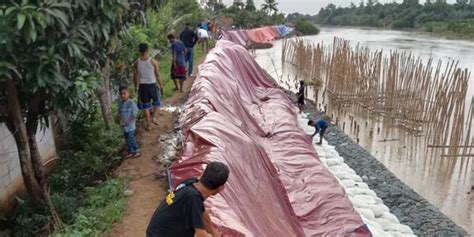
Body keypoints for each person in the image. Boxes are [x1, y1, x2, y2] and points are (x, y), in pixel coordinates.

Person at [146, 161, 230, 237]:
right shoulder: (193, 198)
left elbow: (203, 215)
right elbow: (201, 235)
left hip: (158, 231)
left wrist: (214, 234)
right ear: (220, 189)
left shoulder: (191, 183)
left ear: (202, 174)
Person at [133, 43, 163, 131]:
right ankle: (154, 118)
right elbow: (157, 74)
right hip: (152, 85)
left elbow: (135, 76)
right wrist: (161, 85)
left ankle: (149, 125)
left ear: (139, 51)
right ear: (147, 50)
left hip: (142, 87)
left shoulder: (136, 63)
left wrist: (136, 87)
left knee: (145, 107)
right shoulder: (153, 61)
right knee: (157, 103)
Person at [118, 86, 141, 158]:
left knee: (131, 137)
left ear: (128, 94)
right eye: (121, 94)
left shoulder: (131, 103)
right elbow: (119, 114)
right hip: (124, 126)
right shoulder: (121, 104)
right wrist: (121, 122)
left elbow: (134, 114)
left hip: (130, 125)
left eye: (124, 94)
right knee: (127, 138)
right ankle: (131, 151)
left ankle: (137, 150)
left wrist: (128, 122)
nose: (123, 95)